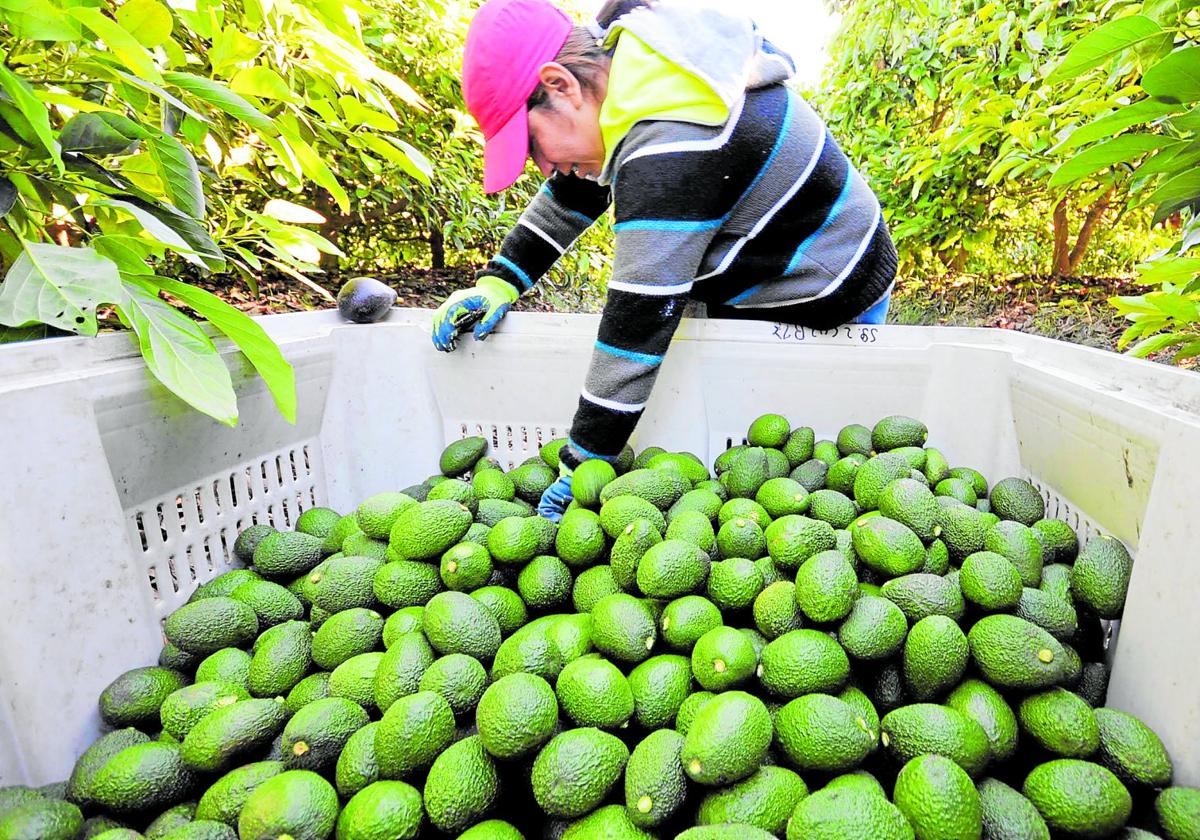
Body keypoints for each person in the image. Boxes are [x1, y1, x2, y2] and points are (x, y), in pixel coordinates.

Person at [431, 0, 898, 521]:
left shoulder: (676, 142)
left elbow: (637, 324)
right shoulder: (632, 67)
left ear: (560, 84)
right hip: (758, 266)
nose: (542, 166)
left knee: (816, 465)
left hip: (827, 281)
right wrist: (501, 280)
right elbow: (573, 191)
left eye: (533, 144)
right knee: (745, 459)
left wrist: (583, 462)